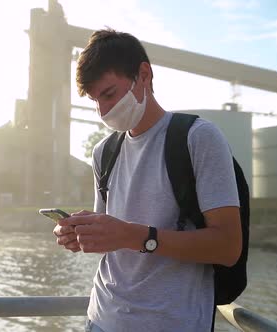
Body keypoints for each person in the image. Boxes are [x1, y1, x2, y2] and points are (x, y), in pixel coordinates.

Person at [53, 29, 242, 332]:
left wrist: (131, 235)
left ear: (144, 75)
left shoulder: (198, 138)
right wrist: (82, 234)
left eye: (109, 94)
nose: (102, 110)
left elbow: (228, 247)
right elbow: (114, 240)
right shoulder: (104, 152)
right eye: (94, 100)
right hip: (101, 319)